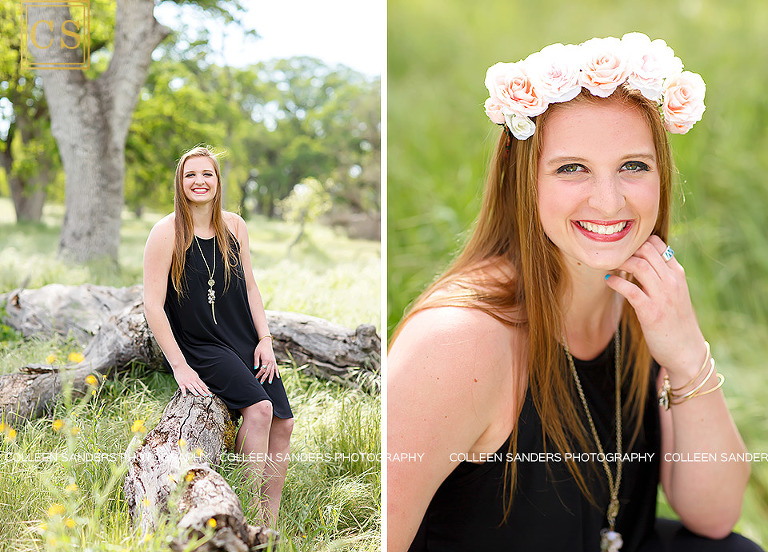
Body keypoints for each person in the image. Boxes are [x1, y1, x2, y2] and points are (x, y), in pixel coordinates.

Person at [388, 34, 762, 552]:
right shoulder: (456, 341)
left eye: (634, 166)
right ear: (525, 181)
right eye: (572, 168)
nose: (609, 202)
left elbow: (716, 515)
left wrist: (686, 354)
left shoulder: (645, 300)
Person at [143, 145, 294, 527]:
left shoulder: (235, 226)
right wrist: (180, 366)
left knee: (284, 423)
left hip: (244, 337)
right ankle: (243, 512)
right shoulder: (165, 233)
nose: (199, 181)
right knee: (259, 411)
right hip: (202, 345)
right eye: (190, 174)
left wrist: (265, 339)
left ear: (217, 181)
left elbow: (250, 287)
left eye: (206, 174)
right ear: (180, 182)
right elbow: (153, 306)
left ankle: (269, 519)